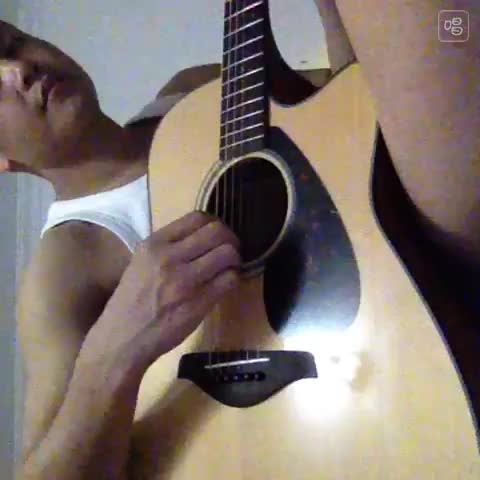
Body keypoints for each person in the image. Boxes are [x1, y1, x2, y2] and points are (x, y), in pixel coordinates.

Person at [0, 0, 477, 478]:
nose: (19, 70)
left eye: (14, 43)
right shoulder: (64, 266)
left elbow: (357, 103)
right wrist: (117, 344)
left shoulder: (194, 91)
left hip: (402, 302)